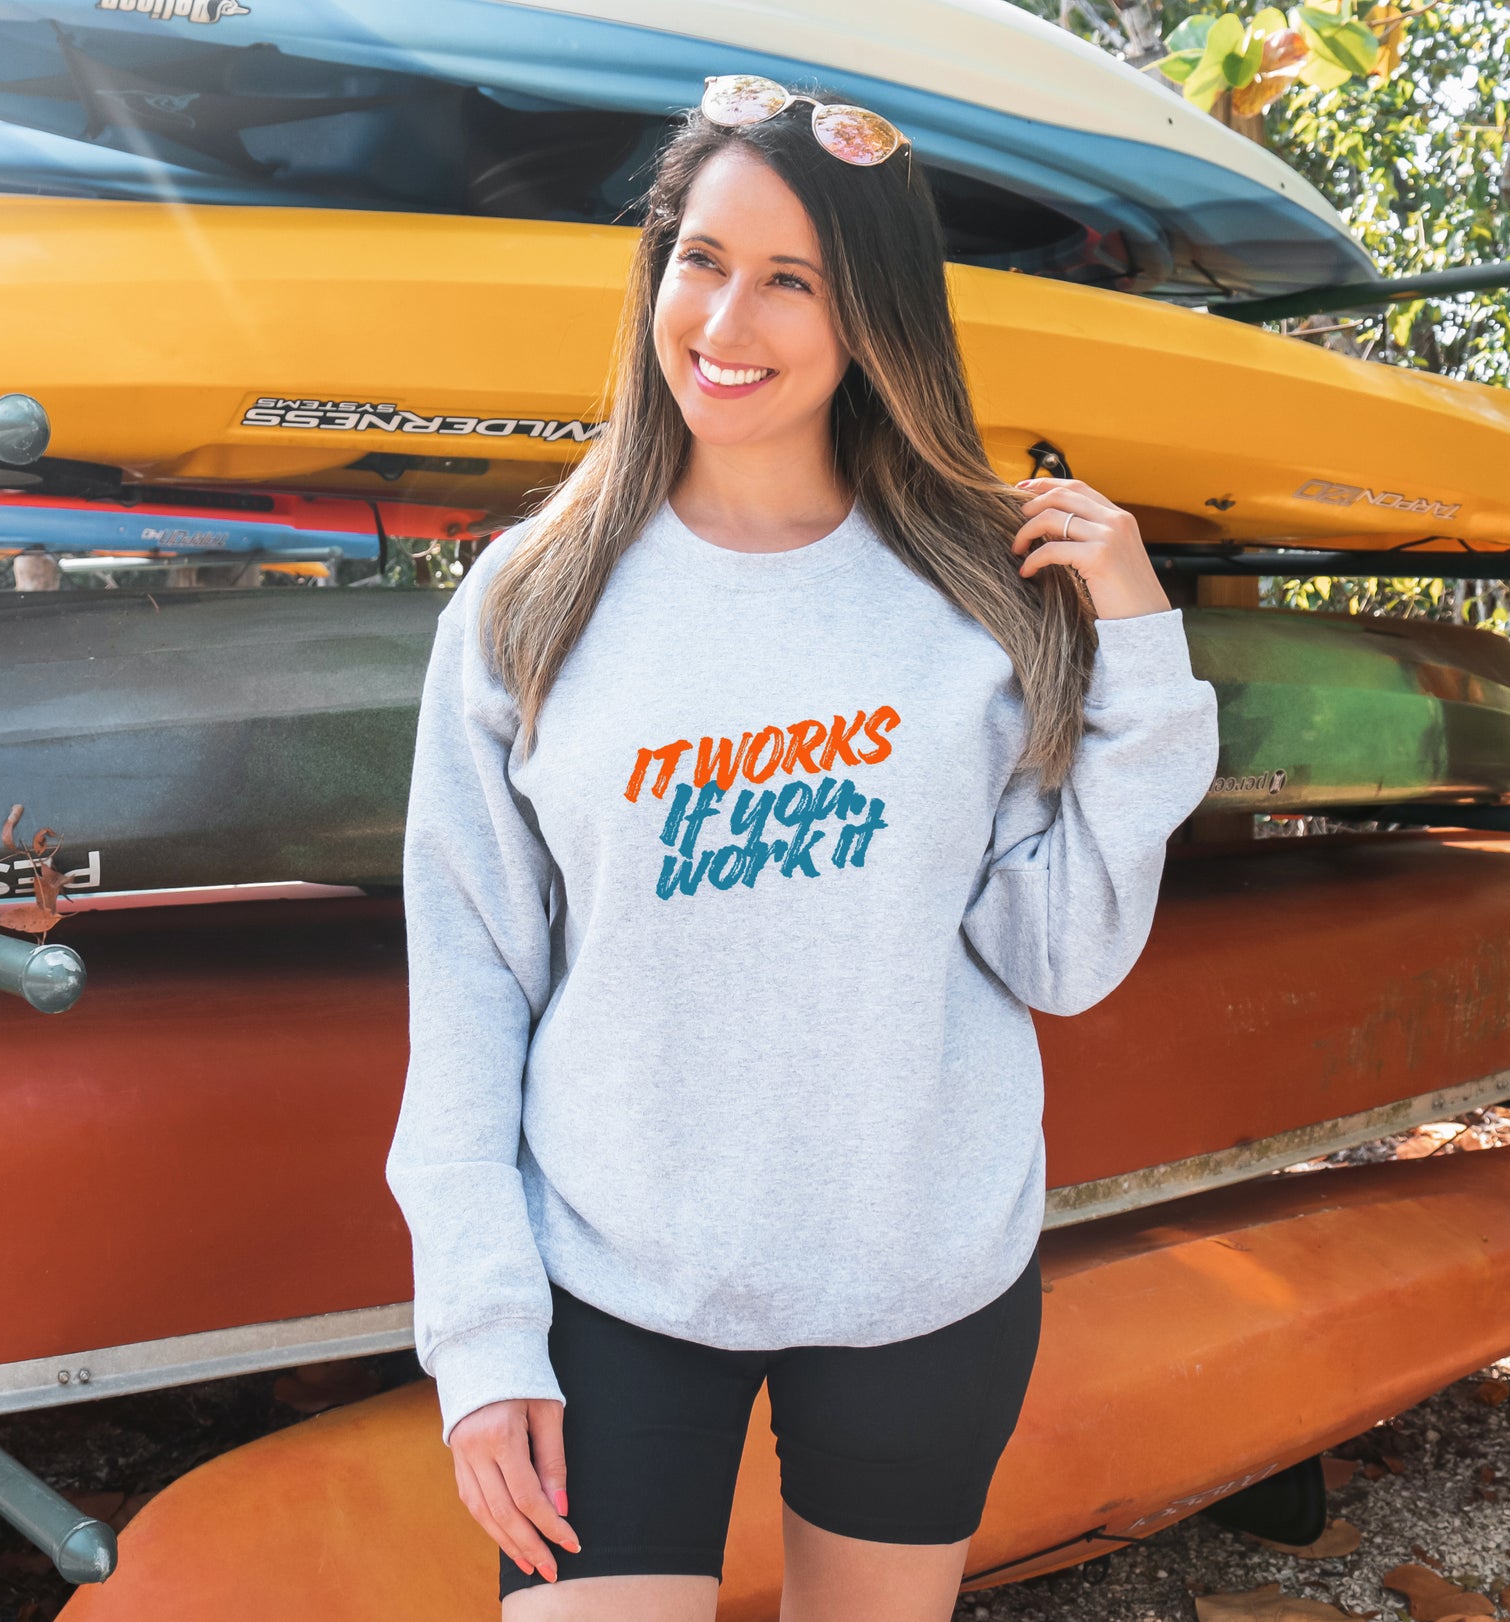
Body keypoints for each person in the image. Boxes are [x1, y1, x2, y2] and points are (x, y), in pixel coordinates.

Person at [384, 74, 1220, 1622]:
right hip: (611, 1277)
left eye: (793, 281)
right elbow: (470, 983)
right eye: (701, 259)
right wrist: (481, 1333)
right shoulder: (526, 596)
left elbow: (1062, 955)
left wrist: (1140, 659)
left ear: (872, 319)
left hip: (917, 1278)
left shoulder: (975, 595)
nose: (728, 318)